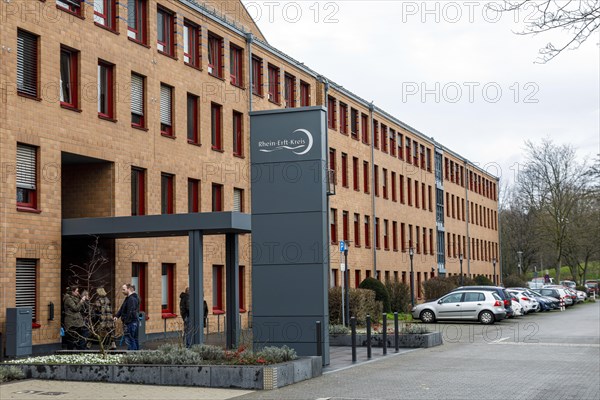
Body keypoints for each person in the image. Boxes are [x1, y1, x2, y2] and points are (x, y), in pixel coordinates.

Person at [114, 283, 140, 350]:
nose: (122, 291)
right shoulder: (129, 298)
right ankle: (136, 355)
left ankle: (132, 355)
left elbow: (131, 311)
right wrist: (117, 316)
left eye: (124, 289)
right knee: (134, 339)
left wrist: (126, 321)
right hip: (132, 322)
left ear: (128, 289)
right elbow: (122, 308)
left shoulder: (131, 299)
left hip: (130, 323)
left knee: (130, 340)